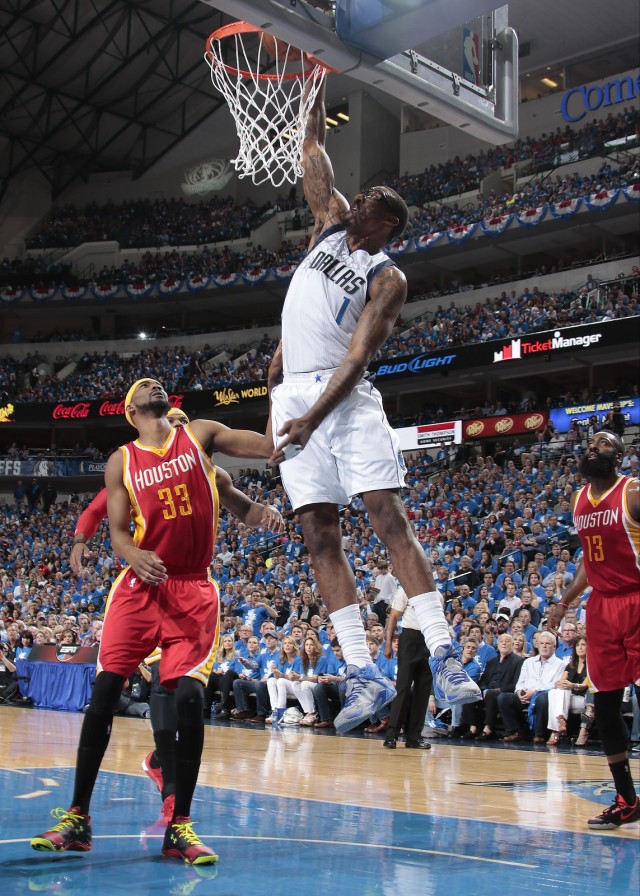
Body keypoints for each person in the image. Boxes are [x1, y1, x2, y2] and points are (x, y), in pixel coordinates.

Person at [266, 77, 480, 733]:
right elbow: (310, 150)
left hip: (343, 395)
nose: (354, 201)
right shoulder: (327, 228)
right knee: (319, 536)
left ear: (386, 220)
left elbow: (357, 357)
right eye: (354, 196)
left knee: (387, 516)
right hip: (294, 392)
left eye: (367, 201)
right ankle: (363, 673)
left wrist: (310, 415)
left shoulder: (388, 275)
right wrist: (311, 88)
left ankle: (444, 655)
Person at [31, 378, 275, 865]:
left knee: (188, 695)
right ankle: (77, 816)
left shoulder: (200, 433)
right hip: (140, 586)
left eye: (159, 383)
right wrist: (128, 553)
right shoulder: (122, 460)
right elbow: (116, 530)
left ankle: (180, 823)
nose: (155, 385)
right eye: (144, 385)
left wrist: (277, 390)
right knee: (103, 694)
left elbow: (268, 449)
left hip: (192, 588)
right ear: (130, 410)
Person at [555, 430, 640, 829]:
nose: (593, 447)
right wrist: (563, 602)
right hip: (603, 608)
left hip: (638, 598)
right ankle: (626, 799)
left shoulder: (633, 492)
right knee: (604, 704)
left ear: (619, 456)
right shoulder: (577, 500)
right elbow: (590, 561)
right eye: (590, 443)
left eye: (603, 443)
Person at [382, 587, 432, 749]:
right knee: (402, 688)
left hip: (429, 639)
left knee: (423, 691)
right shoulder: (405, 590)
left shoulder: (436, 594)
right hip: (409, 638)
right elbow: (393, 617)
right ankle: (391, 735)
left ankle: (414, 737)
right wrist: (388, 644)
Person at [546, 636, 589, 745]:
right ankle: (561, 722)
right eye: (578, 645)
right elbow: (561, 681)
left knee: (561, 692)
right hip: (567, 698)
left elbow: (584, 685)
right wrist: (560, 683)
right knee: (554, 691)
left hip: (582, 699)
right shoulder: (570, 665)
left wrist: (572, 685)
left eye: (583, 645)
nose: (580, 648)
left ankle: (555, 731)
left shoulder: (591, 666)